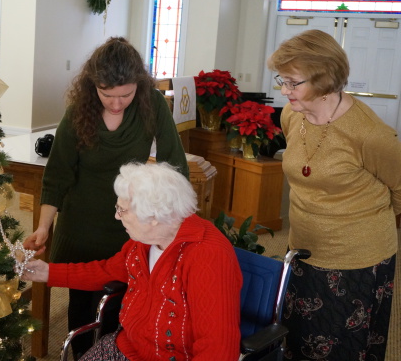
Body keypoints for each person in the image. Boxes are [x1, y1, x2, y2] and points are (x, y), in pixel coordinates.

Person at [23, 37, 189, 357]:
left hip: (129, 224)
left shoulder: (152, 103)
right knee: (82, 309)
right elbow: (57, 176)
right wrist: (44, 227)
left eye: (125, 95)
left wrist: (175, 224)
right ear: (92, 85)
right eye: (107, 94)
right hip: (81, 225)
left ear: (138, 85)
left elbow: (174, 165)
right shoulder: (79, 111)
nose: (115, 104)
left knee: (123, 309)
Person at [267, 29, 401, 361]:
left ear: (325, 80)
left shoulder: (370, 134)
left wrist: (369, 223)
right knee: (297, 338)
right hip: (301, 247)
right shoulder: (291, 115)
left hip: (356, 259)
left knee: (338, 346)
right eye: (281, 80)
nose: (284, 91)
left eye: (292, 83)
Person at [22, 162, 242, 361]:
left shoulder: (208, 256)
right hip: (127, 346)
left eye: (123, 210)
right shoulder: (144, 242)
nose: (117, 216)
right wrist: (47, 272)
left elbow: (217, 348)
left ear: (154, 216)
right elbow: (106, 271)